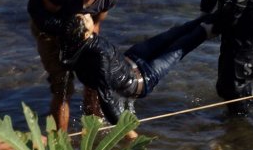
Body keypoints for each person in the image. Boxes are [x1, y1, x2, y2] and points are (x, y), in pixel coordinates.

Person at [60, 13, 208, 138]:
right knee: (179, 48)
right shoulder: (99, 57)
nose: (87, 14)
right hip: (143, 79)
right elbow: (107, 99)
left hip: (133, 57)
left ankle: (210, 17)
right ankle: (211, 28)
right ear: (86, 34)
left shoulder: (68, 42)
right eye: (85, 19)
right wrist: (128, 132)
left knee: (174, 33)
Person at [27, 0, 126, 131]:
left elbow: (96, 24)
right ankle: (60, 141)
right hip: (51, 34)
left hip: (83, 35)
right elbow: (41, 19)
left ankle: (93, 131)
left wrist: (93, 54)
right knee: (63, 87)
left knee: (94, 83)